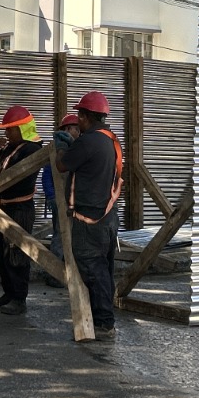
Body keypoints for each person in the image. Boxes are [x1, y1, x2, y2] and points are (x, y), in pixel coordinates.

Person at [58, 90, 123, 340]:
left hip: (89, 220)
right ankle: (104, 319)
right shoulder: (111, 140)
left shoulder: (88, 141)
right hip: (107, 217)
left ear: (85, 117)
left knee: (92, 269)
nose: (78, 123)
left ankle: (104, 323)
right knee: (103, 269)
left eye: (79, 117)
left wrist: (64, 147)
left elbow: (62, 165)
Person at [0, 105, 46, 314]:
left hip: (19, 208)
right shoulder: (11, 147)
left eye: (10, 129)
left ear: (22, 129)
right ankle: (8, 293)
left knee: (16, 255)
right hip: (2, 208)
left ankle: (19, 298)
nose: (6, 133)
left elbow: (18, 178)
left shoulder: (32, 150)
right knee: (0, 254)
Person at [40, 113, 80, 288]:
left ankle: (68, 272)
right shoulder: (57, 149)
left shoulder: (77, 147)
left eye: (79, 129)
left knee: (73, 236)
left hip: (73, 201)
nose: (78, 132)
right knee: (60, 235)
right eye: (75, 129)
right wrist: (51, 197)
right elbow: (47, 175)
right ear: (66, 129)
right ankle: (54, 274)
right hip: (59, 200)